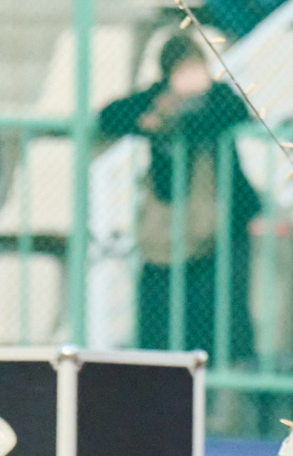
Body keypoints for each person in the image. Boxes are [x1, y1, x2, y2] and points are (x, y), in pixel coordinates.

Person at [99, 32, 259, 362]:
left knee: (219, 319)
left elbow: (234, 112)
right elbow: (110, 115)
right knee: (163, 322)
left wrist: (177, 118)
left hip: (222, 227)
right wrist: (153, 118)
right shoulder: (159, 99)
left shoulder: (218, 99)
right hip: (170, 226)